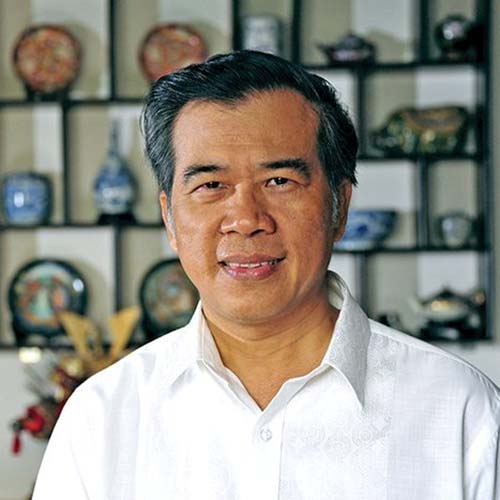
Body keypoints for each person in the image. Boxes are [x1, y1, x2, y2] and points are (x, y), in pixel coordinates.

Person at [33, 50, 499, 499]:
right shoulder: (101, 420)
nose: (246, 219)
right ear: (170, 219)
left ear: (339, 208)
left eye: (279, 181)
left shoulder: (460, 411)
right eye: (211, 185)